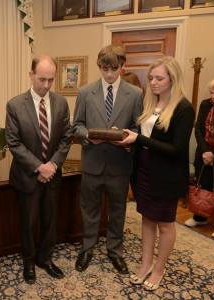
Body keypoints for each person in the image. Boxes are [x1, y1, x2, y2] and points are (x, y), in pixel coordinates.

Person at [119, 56, 195, 290]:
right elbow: (143, 139)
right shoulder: (149, 103)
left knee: (164, 224)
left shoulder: (183, 108)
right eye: (151, 77)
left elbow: (177, 149)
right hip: (143, 170)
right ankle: (145, 265)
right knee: (147, 219)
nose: (153, 82)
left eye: (159, 78)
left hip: (167, 174)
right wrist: (126, 138)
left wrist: (140, 139)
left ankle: (159, 269)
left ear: (172, 79)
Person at [73, 45, 143, 274]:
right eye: (105, 68)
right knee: (89, 210)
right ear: (99, 67)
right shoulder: (85, 92)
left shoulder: (135, 94)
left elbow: (137, 127)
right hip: (92, 163)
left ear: (123, 67)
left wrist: (125, 136)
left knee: (118, 210)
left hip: (119, 165)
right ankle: (87, 249)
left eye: (114, 68)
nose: (109, 74)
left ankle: (115, 251)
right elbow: (77, 125)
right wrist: (87, 136)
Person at [5, 55, 72, 284]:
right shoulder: (15, 105)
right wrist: (38, 167)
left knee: (50, 220)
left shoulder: (61, 103)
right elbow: (13, 142)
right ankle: (29, 262)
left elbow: (65, 138)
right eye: (41, 79)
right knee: (28, 222)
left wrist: (52, 165)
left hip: (52, 175)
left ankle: (45, 258)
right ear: (31, 75)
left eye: (50, 80)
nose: (46, 85)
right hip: (28, 177)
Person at [184, 75, 214, 240]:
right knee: (203, 185)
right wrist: (205, 151)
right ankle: (200, 217)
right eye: (211, 93)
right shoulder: (205, 104)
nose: (213, 97)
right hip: (203, 153)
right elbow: (198, 129)